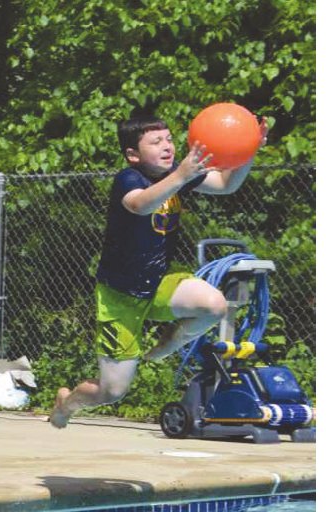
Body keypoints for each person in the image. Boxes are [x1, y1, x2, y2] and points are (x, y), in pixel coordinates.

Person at [50, 114, 267, 428]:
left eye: (169, 139)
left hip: (159, 282)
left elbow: (225, 184)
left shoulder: (178, 173)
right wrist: (180, 175)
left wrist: (249, 151)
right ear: (133, 155)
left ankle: (169, 344)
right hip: (120, 296)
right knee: (112, 392)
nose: (167, 146)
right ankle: (67, 403)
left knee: (214, 306)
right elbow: (140, 205)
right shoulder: (129, 178)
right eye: (156, 142)